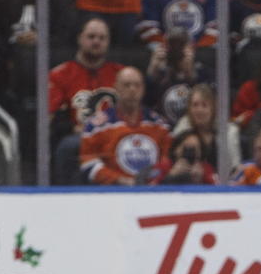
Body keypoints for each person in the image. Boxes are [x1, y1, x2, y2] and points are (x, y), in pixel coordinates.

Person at [49, 18, 124, 185]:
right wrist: (75, 128)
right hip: (77, 137)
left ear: (108, 42)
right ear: (80, 39)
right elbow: (52, 118)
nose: (96, 41)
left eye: (102, 38)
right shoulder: (60, 74)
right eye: (91, 37)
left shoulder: (121, 74)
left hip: (116, 136)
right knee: (69, 145)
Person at [80, 66, 172, 185]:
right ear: (116, 87)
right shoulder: (96, 127)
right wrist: (121, 180)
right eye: (126, 85)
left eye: (137, 85)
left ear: (143, 88)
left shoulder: (160, 125)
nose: (132, 90)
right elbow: (88, 164)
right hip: (112, 194)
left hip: (153, 192)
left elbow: (167, 160)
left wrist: (156, 179)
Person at [150, 129, 220, 184]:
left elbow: (218, 193)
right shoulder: (163, 166)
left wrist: (200, 180)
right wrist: (171, 176)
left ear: (201, 152)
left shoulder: (206, 169)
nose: (190, 152)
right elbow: (149, 190)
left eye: (194, 148)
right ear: (175, 149)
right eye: (186, 147)